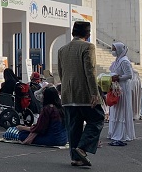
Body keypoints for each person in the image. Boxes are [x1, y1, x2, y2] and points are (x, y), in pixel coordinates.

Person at [57, 21, 104, 168]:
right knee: (97, 119)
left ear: (73, 33)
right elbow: (90, 70)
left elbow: (61, 73)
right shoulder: (88, 47)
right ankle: (82, 148)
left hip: (67, 94)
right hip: (84, 93)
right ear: (88, 34)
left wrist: (65, 89)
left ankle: (75, 158)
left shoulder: (62, 50)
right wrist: (94, 93)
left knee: (74, 127)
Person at [107, 42, 135, 146]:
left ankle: (122, 133)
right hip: (116, 87)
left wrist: (118, 78)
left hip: (123, 88)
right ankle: (114, 132)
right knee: (115, 109)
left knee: (122, 109)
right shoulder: (117, 61)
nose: (112, 51)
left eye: (114, 49)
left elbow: (129, 75)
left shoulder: (124, 61)